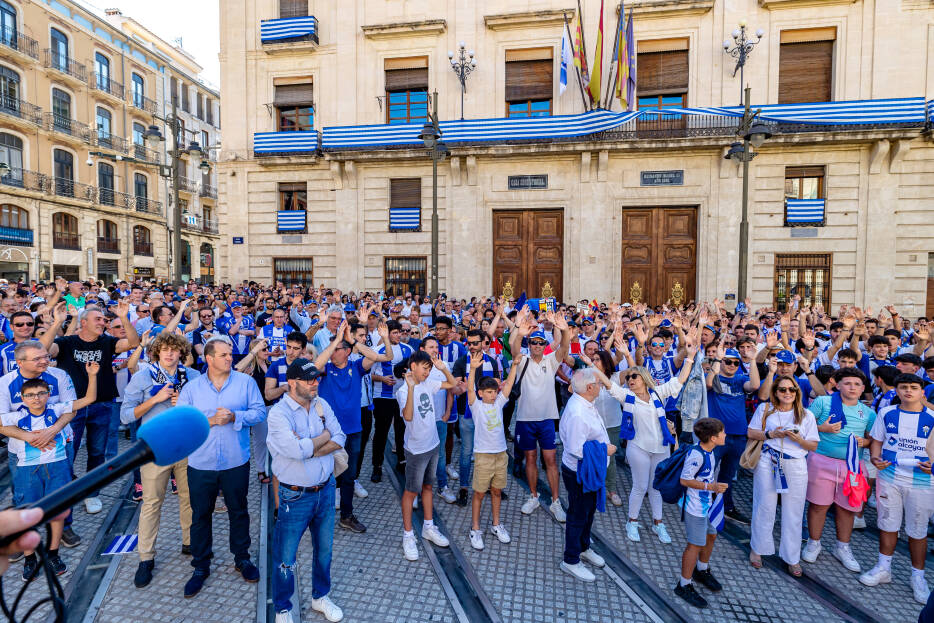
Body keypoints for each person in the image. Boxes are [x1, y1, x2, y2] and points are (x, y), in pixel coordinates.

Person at [588, 329, 698, 543]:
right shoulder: (627, 397)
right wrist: (592, 365)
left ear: (645, 379)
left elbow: (680, 380)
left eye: (634, 377)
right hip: (638, 447)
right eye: (628, 377)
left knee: (655, 487)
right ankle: (632, 521)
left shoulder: (658, 393)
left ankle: (659, 523)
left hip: (661, 448)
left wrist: (690, 357)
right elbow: (610, 384)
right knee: (639, 486)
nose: (630, 379)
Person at [177, 336, 266, 598]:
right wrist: (212, 420)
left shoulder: (246, 382)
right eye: (225, 355)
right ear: (209, 359)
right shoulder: (192, 388)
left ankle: (242, 559)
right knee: (200, 515)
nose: (231, 358)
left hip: (235, 460)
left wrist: (237, 416)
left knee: (238, 511)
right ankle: (200, 566)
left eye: (231, 354)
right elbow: (183, 422)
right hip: (201, 463)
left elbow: (260, 412)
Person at [41, 300, 139, 514]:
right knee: (68, 450)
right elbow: (43, 348)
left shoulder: (107, 341)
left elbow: (132, 342)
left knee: (97, 452)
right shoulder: (67, 342)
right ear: (83, 322)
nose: (103, 323)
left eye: (104, 320)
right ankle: (64, 492)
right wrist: (57, 322)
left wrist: (123, 317)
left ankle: (92, 494)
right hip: (72, 407)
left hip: (102, 404)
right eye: (98, 319)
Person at [1, 363, 98, 579]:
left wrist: (92, 376)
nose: (36, 398)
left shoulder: (56, 409)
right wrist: (26, 437)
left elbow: (88, 399)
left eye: (41, 393)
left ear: (48, 394)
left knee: (58, 510)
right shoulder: (16, 417)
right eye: (30, 395)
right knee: (26, 513)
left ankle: (53, 553)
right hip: (28, 469)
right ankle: (30, 558)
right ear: (22, 398)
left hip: (58, 465)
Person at [267, 359, 345, 623]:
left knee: (324, 550)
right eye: (309, 379)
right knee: (285, 557)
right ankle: (283, 608)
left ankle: (320, 596)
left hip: (325, 489)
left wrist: (310, 447)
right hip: (295, 495)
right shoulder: (279, 414)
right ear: (292, 382)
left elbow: (341, 437)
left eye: (317, 378)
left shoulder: (322, 404)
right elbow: (295, 451)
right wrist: (324, 437)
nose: (315, 383)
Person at [121, 332, 200, 588]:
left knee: (190, 499)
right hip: (155, 448)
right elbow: (125, 416)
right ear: (156, 352)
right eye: (164, 349)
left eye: (174, 350)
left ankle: (189, 542)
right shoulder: (143, 376)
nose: (169, 354)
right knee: (152, 503)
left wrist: (185, 404)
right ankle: (146, 558)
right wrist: (155, 399)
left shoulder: (193, 377)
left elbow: (203, 412)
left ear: (181, 353)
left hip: (186, 447)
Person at [861, 373, 934, 604]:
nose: (908, 391)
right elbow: (877, 442)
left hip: (922, 481)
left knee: (918, 530)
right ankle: (884, 568)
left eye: (913, 387)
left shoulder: (932, 417)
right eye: (903, 387)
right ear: (898, 390)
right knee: (888, 523)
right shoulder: (886, 412)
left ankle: (918, 577)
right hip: (890, 476)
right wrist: (874, 458)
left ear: (922, 391)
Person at [0, 340, 81, 547]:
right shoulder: (4, 383)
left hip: (60, 444)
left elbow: (71, 409)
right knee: (22, 494)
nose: (46, 361)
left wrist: (51, 431)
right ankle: (20, 536)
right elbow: (1, 421)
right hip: (21, 450)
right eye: (38, 358)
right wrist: (31, 438)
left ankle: (65, 527)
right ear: (19, 362)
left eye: (46, 356)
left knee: (62, 490)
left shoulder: (59, 375)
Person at [312, 321, 390, 533]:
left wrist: (353, 339)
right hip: (328, 433)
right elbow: (315, 366)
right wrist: (336, 340)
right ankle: (319, 515)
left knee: (348, 476)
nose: (330, 353)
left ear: (346, 352)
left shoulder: (356, 367)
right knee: (324, 475)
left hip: (353, 430)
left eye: (336, 348)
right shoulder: (325, 369)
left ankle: (346, 516)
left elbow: (373, 357)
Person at [802, 367, 876, 573]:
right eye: (847, 383)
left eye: (857, 384)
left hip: (853, 466)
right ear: (837, 384)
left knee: (848, 508)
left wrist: (866, 442)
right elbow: (801, 425)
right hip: (822, 460)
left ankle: (842, 547)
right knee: (818, 506)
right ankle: (814, 542)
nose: (852, 387)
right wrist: (822, 428)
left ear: (862, 389)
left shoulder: (868, 412)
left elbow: (874, 440)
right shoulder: (823, 402)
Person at [747, 375, 819, 576]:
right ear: (775, 392)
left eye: (792, 389)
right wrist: (771, 435)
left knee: (794, 511)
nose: (788, 393)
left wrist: (798, 440)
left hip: (795, 464)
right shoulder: (765, 409)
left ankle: (792, 557)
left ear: (797, 392)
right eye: (783, 389)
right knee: (764, 505)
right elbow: (751, 433)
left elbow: (813, 444)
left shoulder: (806, 415)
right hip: (767, 461)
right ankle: (758, 549)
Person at [509, 310, 571, 522]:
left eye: (540, 343)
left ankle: (555, 501)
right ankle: (533, 496)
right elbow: (513, 347)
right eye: (533, 343)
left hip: (546, 419)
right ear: (529, 344)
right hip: (525, 419)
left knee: (551, 460)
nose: (537, 346)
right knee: (530, 458)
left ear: (544, 346)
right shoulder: (522, 361)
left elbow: (564, 347)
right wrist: (519, 332)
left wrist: (563, 329)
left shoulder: (550, 361)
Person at [395, 350, 457, 561]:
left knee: (428, 486)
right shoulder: (404, 390)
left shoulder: (429, 383)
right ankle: (408, 534)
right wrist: (412, 388)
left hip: (433, 444)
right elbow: (409, 416)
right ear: (413, 366)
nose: (428, 372)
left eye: (429, 368)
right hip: (416, 450)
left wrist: (443, 369)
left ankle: (429, 527)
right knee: (411, 491)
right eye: (425, 367)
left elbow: (452, 386)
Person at [557, 368, 615, 582]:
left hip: (591, 469)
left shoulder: (585, 403)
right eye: (599, 383)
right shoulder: (578, 413)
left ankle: (583, 547)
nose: (601, 386)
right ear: (590, 387)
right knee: (577, 515)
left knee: (588, 512)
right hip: (579, 472)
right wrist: (604, 449)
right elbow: (575, 448)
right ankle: (570, 560)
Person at [465, 350, 520, 550]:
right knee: (479, 493)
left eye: (494, 391)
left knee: (497, 491)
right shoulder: (476, 406)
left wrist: (514, 366)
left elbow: (510, 384)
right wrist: (472, 369)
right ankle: (475, 528)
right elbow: (469, 389)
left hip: (500, 454)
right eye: (488, 392)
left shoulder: (499, 403)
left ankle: (496, 525)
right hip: (483, 456)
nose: (493, 394)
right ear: (481, 393)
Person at [675, 417, 727, 609]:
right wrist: (710, 486)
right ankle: (684, 584)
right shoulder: (697, 455)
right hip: (694, 507)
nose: (725, 435)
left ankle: (702, 570)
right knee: (694, 545)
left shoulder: (710, 451)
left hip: (707, 505)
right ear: (713, 438)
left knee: (711, 535)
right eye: (722, 433)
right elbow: (684, 480)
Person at [705, 345, 760, 524]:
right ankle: (701, 504)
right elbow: (708, 384)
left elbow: (755, 385)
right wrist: (717, 360)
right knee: (707, 470)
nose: (732, 365)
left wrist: (752, 360)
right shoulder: (715, 377)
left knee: (728, 475)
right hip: (716, 435)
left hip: (738, 436)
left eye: (735, 363)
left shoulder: (739, 379)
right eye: (728, 361)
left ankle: (726, 506)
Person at [451, 329, 502, 507]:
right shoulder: (460, 361)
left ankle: (488, 485)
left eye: (475, 343)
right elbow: (456, 387)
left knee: (488, 451)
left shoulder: (492, 361)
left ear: (483, 342)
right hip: (468, 414)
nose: (472, 346)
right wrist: (460, 388)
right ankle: (464, 487)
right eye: (469, 343)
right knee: (466, 451)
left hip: (488, 414)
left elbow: (497, 384)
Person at [370, 320, 414, 482]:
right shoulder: (378, 350)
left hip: (402, 397)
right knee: (381, 432)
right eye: (394, 332)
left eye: (399, 332)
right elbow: (368, 374)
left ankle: (402, 462)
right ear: (386, 334)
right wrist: (381, 378)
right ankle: (377, 466)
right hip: (382, 396)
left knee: (402, 430)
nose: (397, 335)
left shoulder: (408, 349)